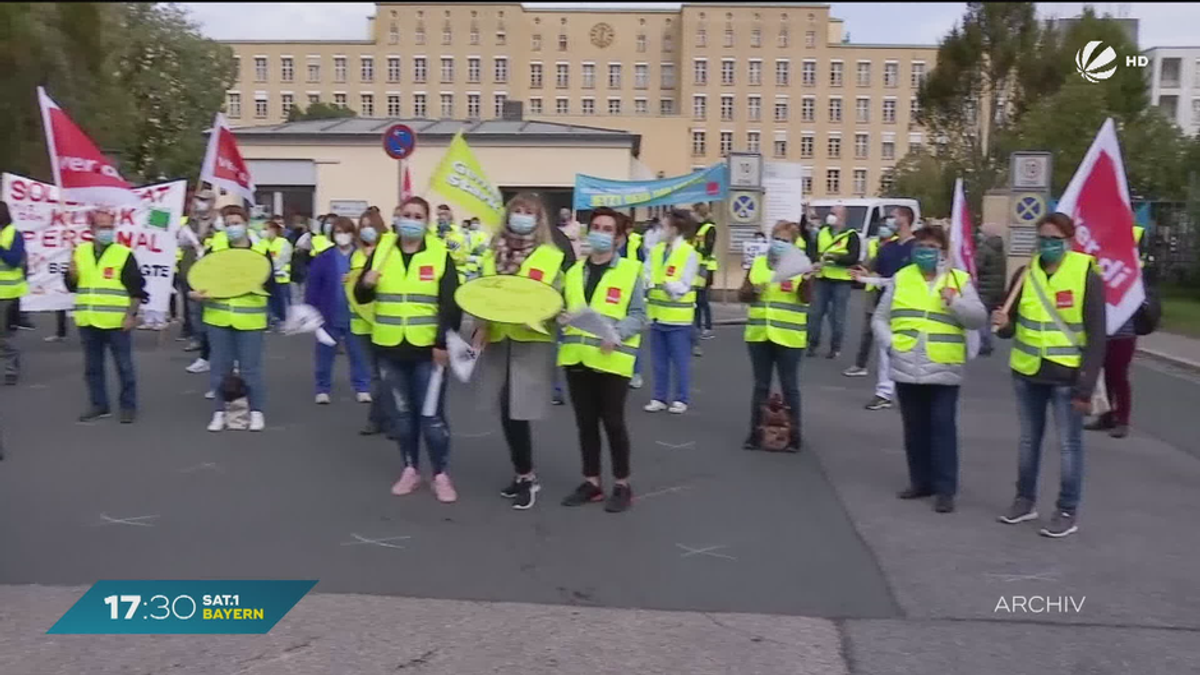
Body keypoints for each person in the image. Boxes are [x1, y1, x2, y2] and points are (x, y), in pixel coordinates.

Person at [993, 213, 1105, 538]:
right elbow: (1009, 326)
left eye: (1055, 239)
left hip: (1067, 376)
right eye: (1043, 238)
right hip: (1027, 372)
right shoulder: (1025, 273)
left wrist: (1086, 384)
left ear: (1068, 240)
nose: (1048, 244)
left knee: (1069, 446)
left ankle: (1066, 510)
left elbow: (1097, 335)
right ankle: (1024, 501)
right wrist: (1003, 323)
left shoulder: (1085, 273)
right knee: (1028, 441)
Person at [872, 225, 986, 513]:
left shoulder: (958, 280)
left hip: (944, 364)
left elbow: (977, 319)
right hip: (906, 362)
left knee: (942, 426)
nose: (925, 252)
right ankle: (920, 481)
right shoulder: (902, 278)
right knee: (914, 427)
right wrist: (891, 344)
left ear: (943, 252)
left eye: (932, 248)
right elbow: (880, 318)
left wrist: (955, 302)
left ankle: (945, 489)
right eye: (921, 247)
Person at [355, 197, 461, 502]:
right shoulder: (382, 251)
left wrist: (442, 343)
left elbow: (451, 304)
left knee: (432, 418)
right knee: (402, 417)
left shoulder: (440, 254)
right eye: (406, 215)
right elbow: (362, 297)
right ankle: (410, 469)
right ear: (397, 218)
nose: (411, 220)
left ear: (426, 222)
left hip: (428, 351)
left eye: (417, 216)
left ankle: (440, 474)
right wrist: (367, 282)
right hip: (389, 348)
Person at [474, 193, 565, 510]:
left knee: (519, 408)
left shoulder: (550, 256)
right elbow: (481, 293)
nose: (522, 216)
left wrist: (547, 313)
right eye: (517, 211)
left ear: (539, 220)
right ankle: (523, 473)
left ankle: (527, 477)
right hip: (499, 338)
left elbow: (559, 298)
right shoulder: (492, 253)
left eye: (529, 212)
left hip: (531, 340)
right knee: (505, 409)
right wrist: (480, 325)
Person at [558, 207, 647, 513]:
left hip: (612, 357)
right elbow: (564, 308)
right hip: (576, 356)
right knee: (585, 424)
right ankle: (592, 482)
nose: (599, 232)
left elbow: (639, 315)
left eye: (607, 229)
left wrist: (616, 332)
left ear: (619, 238)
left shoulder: (630, 271)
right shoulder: (572, 272)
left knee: (613, 422)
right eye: (595, 226)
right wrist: (561, 316)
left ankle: (622, 484)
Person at [192, 205, 275, 433]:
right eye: (228, 224)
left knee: (251, 370)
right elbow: (201, 277)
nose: (232, 228)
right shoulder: (215, 247)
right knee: (220, 369)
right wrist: (196, 293)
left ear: (246, 223)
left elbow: (271, 285)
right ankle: (220, 412)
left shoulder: (260, 250)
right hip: (218, 318)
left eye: (236, 223)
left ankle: (256, 412)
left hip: (250, 320)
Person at [63, 209, 146, 423]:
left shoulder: (123, 254)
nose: (107, 231)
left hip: (116, 322)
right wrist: (71, 275)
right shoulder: (79, 252)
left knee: (124, 366)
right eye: (102, 227)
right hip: (88, 320)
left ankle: (128, 406)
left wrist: (131, 315)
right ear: (92, 229)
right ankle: (99, 404)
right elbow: (72, 286)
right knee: (92, 368)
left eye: (110, 227)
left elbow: (137, 290)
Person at [740, 221, 812, 452]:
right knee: (760, 385)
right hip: (759, 334)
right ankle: (755, 434)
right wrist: (753, 291)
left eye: (785, 241)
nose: (779, 244)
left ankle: (794, 436)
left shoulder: (800, 266)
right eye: (777, 239)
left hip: (789, 336)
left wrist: (809, 280)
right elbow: (743, 295)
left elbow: (807, 298)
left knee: (790, 386)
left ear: (793, 245)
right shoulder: (759, 263)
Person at [849, 207, 917, 411]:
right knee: (886, 349)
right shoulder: (888, 248)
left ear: (905, 219)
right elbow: (881, 276)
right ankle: (884, 393)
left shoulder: (917, 248)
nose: (889, 221)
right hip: (887, 304)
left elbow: (905, 280)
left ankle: (913, 392)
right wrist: (863, 276)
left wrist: (869, 278)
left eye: (894, 217)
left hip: (911, 305)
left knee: (912, 350)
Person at [305, 216, 372, 406]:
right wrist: (312, 312)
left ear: (353, 234)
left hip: (355, 315)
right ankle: (322, 389)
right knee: (325, 353)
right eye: (338, 232)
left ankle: (362, 387)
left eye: (347, 232)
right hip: (328, 314)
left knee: (358, 353)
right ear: (333, 235)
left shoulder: (361, 256)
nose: (342, 236)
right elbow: (313, 287)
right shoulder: (323, 258)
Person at [644, 209, 699, 415]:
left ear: (675, 229)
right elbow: (647, 272)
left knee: (680, 362)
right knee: (659, 362)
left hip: (679, 319)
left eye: (664, 226)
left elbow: (685, 283)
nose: (661, 230)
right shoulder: (657, 250)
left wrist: (671, 286)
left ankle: (681, 398)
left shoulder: (688, 253)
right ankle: (659, 397)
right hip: (657, 314)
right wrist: (647, 282)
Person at [351, 210, 390, 436]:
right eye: (363, 225)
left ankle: (389, 418)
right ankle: (377, 419)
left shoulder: (387, 252)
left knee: (388, 373)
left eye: (370, 225)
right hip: (362, 324)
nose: (367, 229)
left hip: (385, 321)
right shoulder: (357, 254)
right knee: (374, 374)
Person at [808, 205, 861, 359]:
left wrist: (836, 258)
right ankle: (813, 343)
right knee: (815, 313)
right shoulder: (823, 232)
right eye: (830, 213)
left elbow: (853, 257)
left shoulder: (851, 235)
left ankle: (835, 347)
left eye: (834, 213)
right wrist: (816, 261)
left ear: (843, 217)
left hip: (841, 281)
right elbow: (813, 251)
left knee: (837, 316)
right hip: (822, 278)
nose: (830, 216)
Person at [0, 201, 28, 385]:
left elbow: (14, 260)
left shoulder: (14, 235)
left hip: (7, 294)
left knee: (5, 335)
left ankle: (11, 367)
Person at [618, 217, 647, 390]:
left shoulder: (635, 243)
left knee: (630, 334)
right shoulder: (613, 243)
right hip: (615, 288)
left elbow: (643, 264)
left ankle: (635, 372)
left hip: (632, 287)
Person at [974, 222, 1008, 357]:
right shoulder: (1000, 248)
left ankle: (984, 343)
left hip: (984, 287)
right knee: (988, 316)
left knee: (982, 317)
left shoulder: (985, 249)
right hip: (997, 288)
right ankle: (988, 342)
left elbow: (977, 267)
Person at [691, 202, 718, 352]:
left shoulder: (710, 227)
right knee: (697, 299)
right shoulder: (699, 227)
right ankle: (697, 327)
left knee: (703, 300)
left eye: (694, 212)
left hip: (706, 267)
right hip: (697, 267)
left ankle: (707, 327)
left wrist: (696, 252)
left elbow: (708, 248)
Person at [264, 220, 293, 327]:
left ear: (274, 230)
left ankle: (284, 321)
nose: (264, 232)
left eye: (266, 229)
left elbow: (284, 258)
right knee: (270, 302)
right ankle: (272, 320)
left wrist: (272, 265)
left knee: (282, 302)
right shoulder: (263, 242)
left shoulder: (283, 242)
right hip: (268, 278)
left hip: (282, 278)